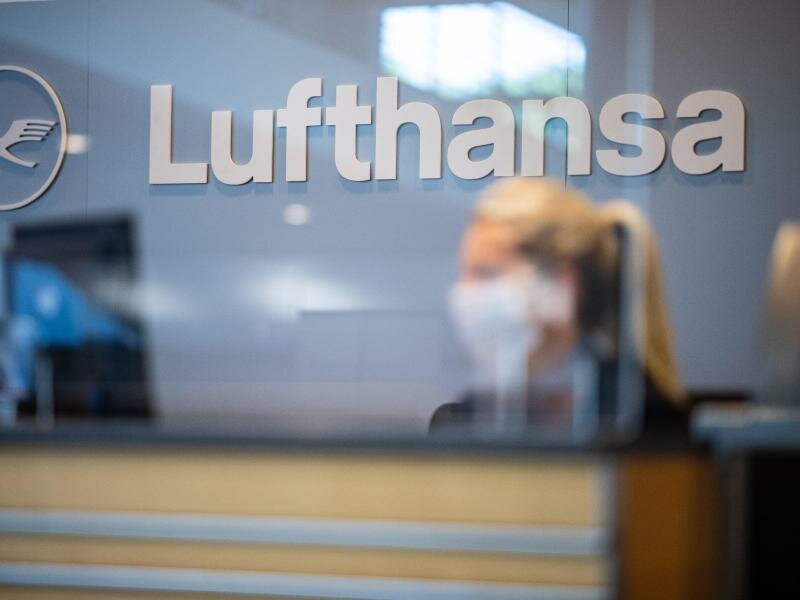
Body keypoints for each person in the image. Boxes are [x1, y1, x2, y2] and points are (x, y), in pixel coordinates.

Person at [431, 178, 687, 437]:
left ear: (561, 286)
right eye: (464, 272)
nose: (462, 293)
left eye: (485, 273)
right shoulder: (464, 423)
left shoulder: (639, 424)